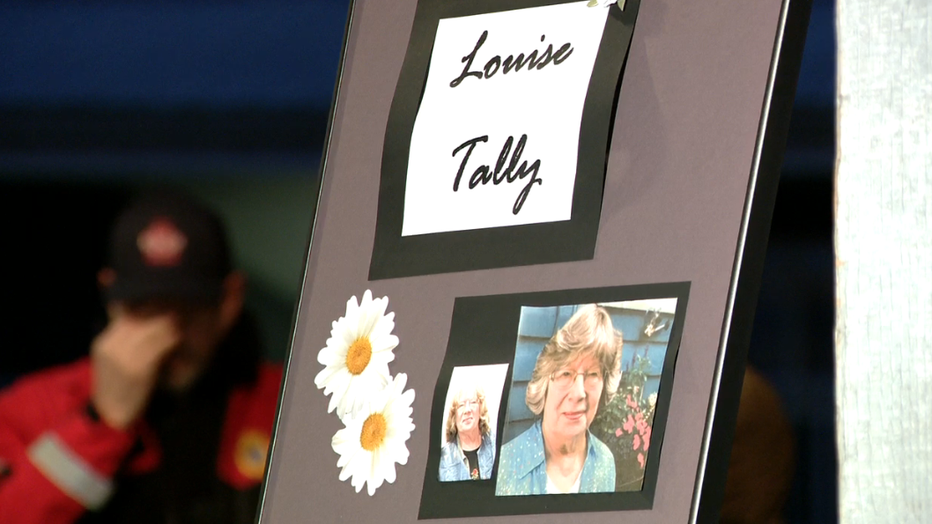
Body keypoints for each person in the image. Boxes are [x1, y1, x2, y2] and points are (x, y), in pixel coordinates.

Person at [0, 193, 282, 524]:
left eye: (186, 311)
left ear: (230, 300)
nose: (165, 339)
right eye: (144, 310)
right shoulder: (33, 408)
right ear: (110, 295)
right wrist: (100, 422)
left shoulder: (288, 404)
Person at [495, 305, 621, 496]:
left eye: (593, 374)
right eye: (566, 373)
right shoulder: (504, 465)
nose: (579, 393)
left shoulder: (605, 462)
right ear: (544, 385)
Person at [439, 385, 495, 481]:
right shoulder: (443, 460)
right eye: (461, 405)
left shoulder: (496, 447)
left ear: (481, 409)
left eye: (473, 402)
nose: (467, 410)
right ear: (454, 416)